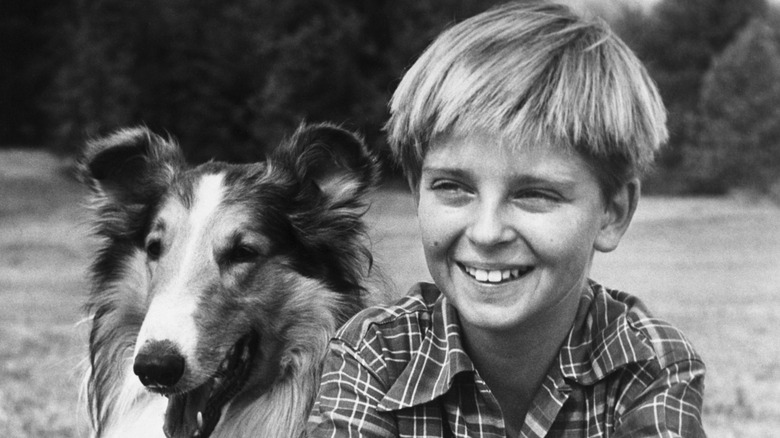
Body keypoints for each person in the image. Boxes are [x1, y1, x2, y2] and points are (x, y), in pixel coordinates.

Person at [308, 1, 706, 437]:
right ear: (416, 188)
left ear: (613, 212)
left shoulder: (647, 362)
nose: (486, 232)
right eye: (452, 187)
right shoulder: (374, 354)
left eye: (534, 194)